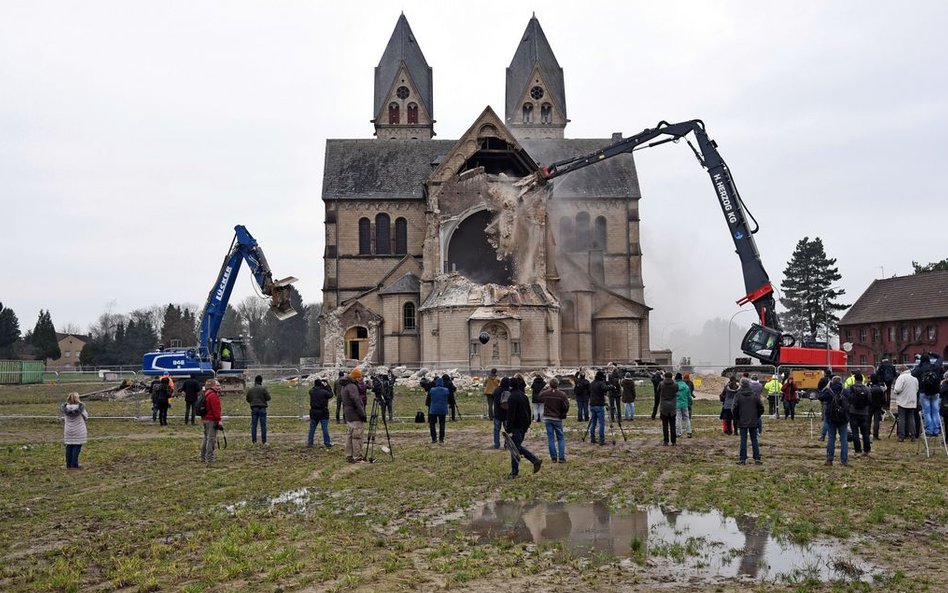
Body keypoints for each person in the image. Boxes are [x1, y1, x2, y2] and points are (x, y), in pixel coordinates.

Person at [504, 376, 542, 478]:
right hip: (523, 425)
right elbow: (528, 411)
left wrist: (508, 428)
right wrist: (528, 424)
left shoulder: (512, 397)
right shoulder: (523, 396)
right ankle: (534, 461)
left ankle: (516, 471)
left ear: (510, 386)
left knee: (514, 449)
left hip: (516, 426)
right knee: (516, 447)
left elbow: (511, 414)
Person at [732, 377, 763, 465]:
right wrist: (757, 416)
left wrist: (737, 417)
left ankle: (742, 459)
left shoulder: (738, 395)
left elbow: (734, 409)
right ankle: (757, 458)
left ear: (741, 384)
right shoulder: (754, 395)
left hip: (742, 420)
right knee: (754, 440)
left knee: (743, 440)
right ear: (749, 384)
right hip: (753, 420)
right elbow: (761, 407)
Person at [820, 376, 850, 466]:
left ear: (832, 382)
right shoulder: (845, 391)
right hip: (843, 418)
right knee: (844, 439)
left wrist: (826, 387)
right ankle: (844, 461)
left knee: (831, 438)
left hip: (831, 417)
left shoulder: (829, 391)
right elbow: (851, 400)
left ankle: (829, 459)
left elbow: (820, 397)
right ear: (841, 382)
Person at [911, 353, 943, 437]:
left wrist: (919, 364)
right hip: (935, 391)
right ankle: (936, 430)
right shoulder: (935, 366)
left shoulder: (920, 368)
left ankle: (929, 430)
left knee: (927, 412)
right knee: (936, 411)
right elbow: (940, 357)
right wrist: (932, 353)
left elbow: (913, 373)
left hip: (924, 392)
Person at [539, 378, 569, 462]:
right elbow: (566, 406)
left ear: (550, 384)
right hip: (557, 418)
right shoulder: (562, 394)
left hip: (548, 418)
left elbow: (539, 396)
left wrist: (544, 388)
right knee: (560, 438)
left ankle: (553, 457)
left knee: (551, 438)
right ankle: (561, 457)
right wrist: (563, 414)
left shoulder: (546, 393)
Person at [341, 369, 367, 462]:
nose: (361, 379)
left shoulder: (345, 385)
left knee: (349, 435)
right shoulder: (352, 386)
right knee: (357, 435)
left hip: (348, 413)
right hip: (355, 414)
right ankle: (357, 456)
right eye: (360, 377)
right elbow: (356, 401)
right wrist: (362, 414)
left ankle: (349, 455)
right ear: (356, 377)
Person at [846, 372, 871, 457]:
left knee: (855, 433)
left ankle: (858, 451)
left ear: (855, 379)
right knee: (865, 433)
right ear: (862, 379)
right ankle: (867, 450)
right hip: (864, 413)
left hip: (853, 412)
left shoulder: (851, 388)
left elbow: (848, 399)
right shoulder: (867, 389)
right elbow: (869, 400)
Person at [61, 392, 88, 469]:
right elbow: (86, 417)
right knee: (77, 446)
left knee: (69, 446)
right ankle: (74, 464)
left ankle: (68, 464)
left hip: (68, 430)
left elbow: (65, 418)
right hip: (79, 430)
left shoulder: (65, 408)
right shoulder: (81, 408)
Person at [892, 364, 918, 442]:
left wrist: (895, 391)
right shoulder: (914, 379)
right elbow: (917, 389)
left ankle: (902, 436)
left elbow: (897, 389)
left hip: (903, 401)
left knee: (902, 418)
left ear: (901, 371)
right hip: (912, 401)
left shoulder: (901, 378)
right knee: (911, 418)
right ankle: (913, 435)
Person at [200, 380, 223, 463]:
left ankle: (203, 457)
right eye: (218, 385)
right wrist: (219, 420)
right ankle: (209, 458)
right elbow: (216, 410)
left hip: (205, 419)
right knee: (211, 439)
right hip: (211, 420)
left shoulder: (206, 393)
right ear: (213, 386)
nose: (220, 387)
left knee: (206, 438)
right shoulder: (213, 396)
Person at [588, 371, 613, 445]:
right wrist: (611, 387)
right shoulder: (601, 383)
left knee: (593, 422)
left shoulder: (592, 383)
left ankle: (592, 438)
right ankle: (601, 440)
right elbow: (605, 388)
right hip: (599, 405)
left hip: (592, 405)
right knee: (601, 423)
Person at [308, 379, 333, 448]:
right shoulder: (324, 392)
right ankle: (327, 443)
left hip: (313, 411)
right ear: (321, 384)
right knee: (324, 428)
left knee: (312, 428)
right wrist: (327, 386)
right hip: (323, 411)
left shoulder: (311, 391)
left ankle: (310, 443)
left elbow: (312, 389)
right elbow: (331, 394)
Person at [245, 375, 271, 445]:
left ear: (255, 381)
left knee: (254, 425)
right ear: (261, 381)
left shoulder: (251, 389)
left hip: (254, 408)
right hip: (262, 408)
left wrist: (252, 402)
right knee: (263, 426)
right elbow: (268, 398)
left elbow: (248, 399)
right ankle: (264, 441)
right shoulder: (263, 389)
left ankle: (254, 441)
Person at [427, 377, 450, 444]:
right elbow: (448, 396)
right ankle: (441, 439)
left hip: (433, 409)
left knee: (432, 424)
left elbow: (430, 396)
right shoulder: (446, 390)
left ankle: (434, 438)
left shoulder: (432, 390)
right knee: (442, 424)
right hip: (443, 409)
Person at [658, 372, 678, 445]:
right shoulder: (675, 385)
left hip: (664, 407)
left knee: (665, 425)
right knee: (673, 425)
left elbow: (658, 391)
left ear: (664, 376)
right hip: (672, 407)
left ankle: (666, 441)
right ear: (671, 376)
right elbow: (676, 390)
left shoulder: (661, 384)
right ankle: (674, 441)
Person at [492, 376, 511, 449]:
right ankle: (507, 444)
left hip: (497, 413)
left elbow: (493, 397)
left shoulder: (497, 390)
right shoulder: (509, 391)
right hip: (506, 414)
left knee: (496, 430)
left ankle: (496, 444)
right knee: (508, 430)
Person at [867, 373, 886, 440]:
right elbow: (883, 398)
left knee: (868, 420)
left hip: (870, 405)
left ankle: (867, 433)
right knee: (876, 421)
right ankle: (876, 435)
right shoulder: (880, 387)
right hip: (878, 406)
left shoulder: (869, 386)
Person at [674, 372, 693, 438]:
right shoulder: (686, 386)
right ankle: (689, 432)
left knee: (678, 419)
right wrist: (690, 403)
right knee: (687, 418)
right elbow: (689, 396)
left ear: (676, 379)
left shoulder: (675, 386)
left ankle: (678, 433)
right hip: (685, 405)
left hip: (677, 405)